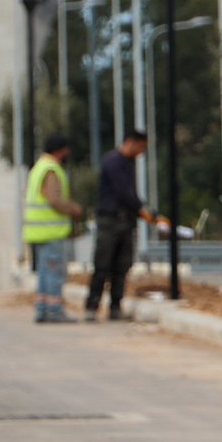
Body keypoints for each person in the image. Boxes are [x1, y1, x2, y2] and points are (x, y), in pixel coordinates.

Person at [85, 130, 170, 322]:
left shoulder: (126, 164)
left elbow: (131, 196)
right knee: (102, 265)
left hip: (125, 222)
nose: (141, 152)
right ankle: (92, 306)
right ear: (130, 142)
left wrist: (147, 213)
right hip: (110, 221)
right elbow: (125, 193)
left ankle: (115, 306)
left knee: (121, 267)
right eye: (140, 147)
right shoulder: (114, 162)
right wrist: (148, 213)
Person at [25, 133, 84, 323]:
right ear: (59, 150)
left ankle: (42, 309)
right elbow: (54, 199)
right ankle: (54, 310)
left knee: (44, 272)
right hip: (51, 232)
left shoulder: (38, 167)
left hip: (38, 231)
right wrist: (72, 209)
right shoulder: (51, 169)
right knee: (54, 272)